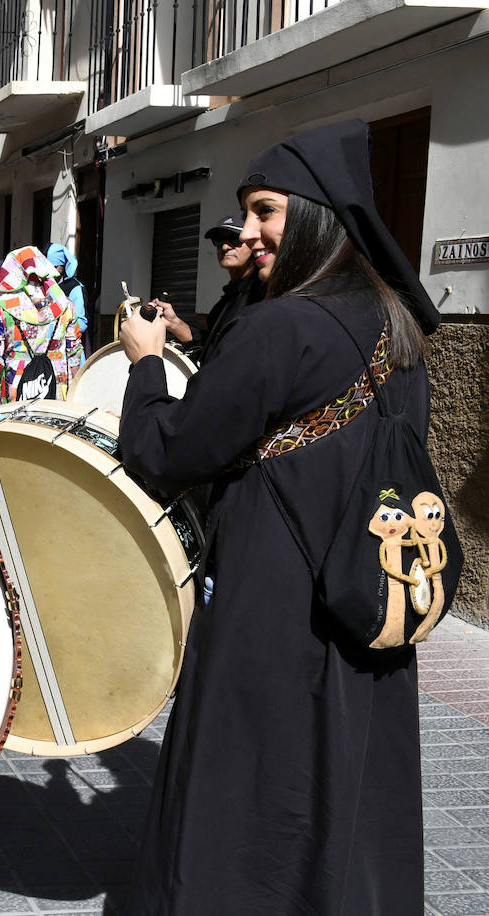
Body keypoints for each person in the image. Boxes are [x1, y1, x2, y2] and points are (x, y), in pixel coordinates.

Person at [116, 119, 440, 914]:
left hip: (276, 596)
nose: (251, 232)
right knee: (346, 774)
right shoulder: (393, 322)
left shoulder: (279, 327)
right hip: (371, 588)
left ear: (320, 213)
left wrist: (147, 364)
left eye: (266, 210)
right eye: (246, 214)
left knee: (248, 775)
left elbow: (170, 452)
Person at [0, 245, 85, 402]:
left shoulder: (3, 308)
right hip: (57, 385)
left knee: (17, 426)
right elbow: (74, 352)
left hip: (16, 385)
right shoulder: (65, 305)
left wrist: (1, 366)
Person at [151, 214, 263, 364]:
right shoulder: (227, 301)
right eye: (219, 240)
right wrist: (173, 323)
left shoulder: (260, 297)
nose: (224, 247)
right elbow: (209, 347)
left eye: (235, 239)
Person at [45, 244, 88, 337]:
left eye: (55, 267)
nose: (51, 271)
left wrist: (59, 332)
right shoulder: (44, 283)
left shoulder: (75, 288)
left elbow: (81, 322)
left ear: (63, 265)